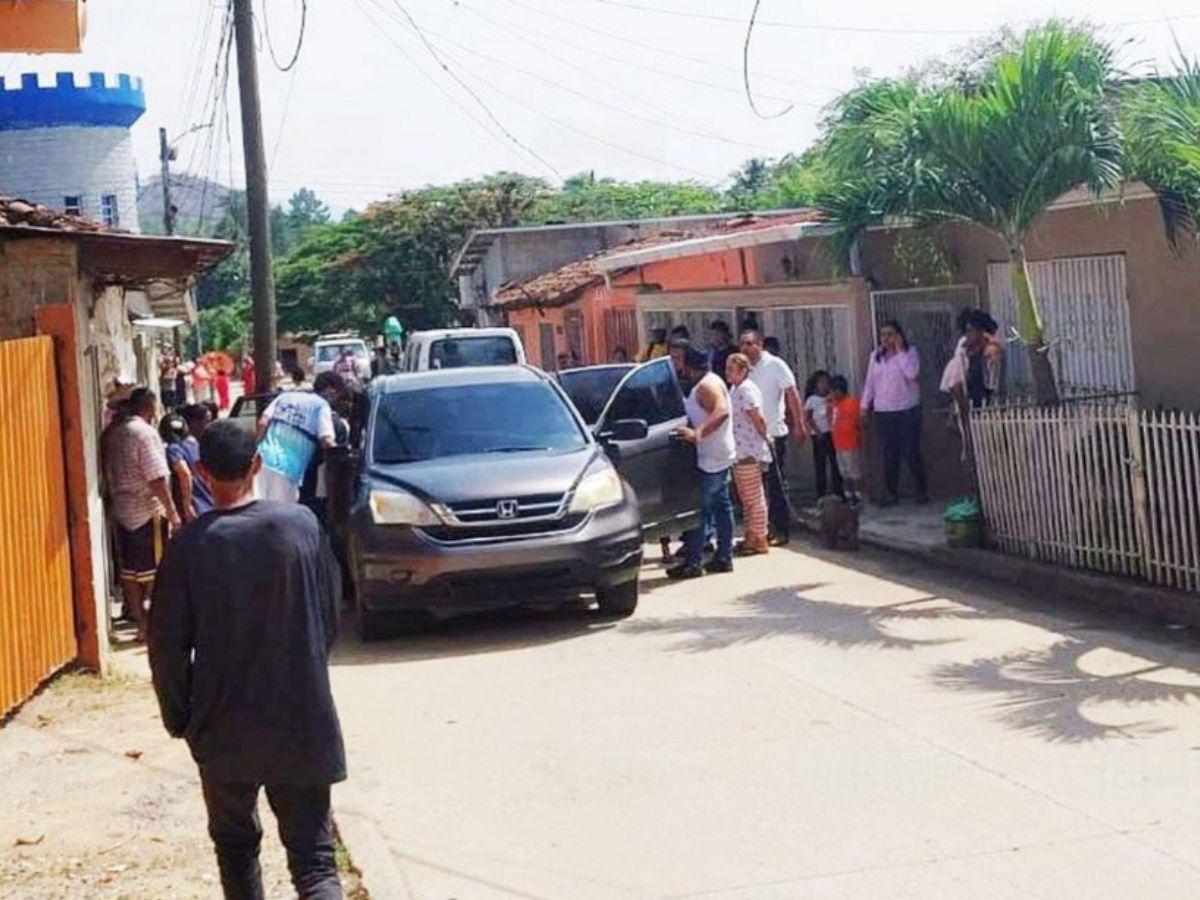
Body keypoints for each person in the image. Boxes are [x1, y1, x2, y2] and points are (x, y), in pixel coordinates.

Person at [148, 420, 346, 899]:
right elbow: (329, 615)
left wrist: (180, 717)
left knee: (236, 849)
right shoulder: (302, 527)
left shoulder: (190, 548)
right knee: (315, 861)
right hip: (302, 718)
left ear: (200, 470)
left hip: (222, 726)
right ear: (257, 464)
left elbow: (166, 648)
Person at [104, 388, 181, 641]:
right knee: (155, 573)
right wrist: (172, 512)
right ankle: (153, 625)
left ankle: (141, 626)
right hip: (148, 511)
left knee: (129, 573)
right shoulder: (145, 434)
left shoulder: (112, 434)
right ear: (149, 406)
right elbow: (156, 477)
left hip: (121, 511)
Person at [667, 348, 736, 579]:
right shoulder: (709, 381)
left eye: (680, 363)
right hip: (718, 454)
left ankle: (693, 562)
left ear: (691, 367)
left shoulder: (706, 385)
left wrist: (698, 434)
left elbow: (722, 411)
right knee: (721, 506)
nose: (679, 369)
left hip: (710, 457)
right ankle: (724, 556)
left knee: (699, 510)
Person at [739, 330, 805, 546]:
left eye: (750, 344)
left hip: (772, 435)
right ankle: (759, 531)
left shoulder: (775, 365)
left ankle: (781, 529)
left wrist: (799, 424)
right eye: (742, 344)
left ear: (760, 344)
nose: (746, 348)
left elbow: (791, 393)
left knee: (776, 484)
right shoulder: (743, 369)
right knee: (755, 487)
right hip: (749, 437)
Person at [862, 319, 928, 505]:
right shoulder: (876, 356)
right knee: (890, 454)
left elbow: (912, 374)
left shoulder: (910, 353)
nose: (886, 338)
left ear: (898, 335)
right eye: (883, 335)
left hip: (908, 410)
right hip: (884, 411)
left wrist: (899, 351)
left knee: (911, 452)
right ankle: (891, 493)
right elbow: (870, 384)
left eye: (890, 334)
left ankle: (921, 490)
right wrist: (864, 406)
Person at [255, 372, 345, 503]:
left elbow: (263, 422)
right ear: (330, 390)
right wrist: (343, 458)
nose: (337, 399)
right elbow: (326, 440)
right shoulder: (321, 406)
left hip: (261, 461)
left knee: (256, 508)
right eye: (338, 395)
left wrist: (255, 449)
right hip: (288, 470)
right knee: (280, 516)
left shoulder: (285, 396)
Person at [726, 353, 772, 556]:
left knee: (754, 497)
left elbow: (757, 418)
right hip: (738, 449)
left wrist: (766, 439)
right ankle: (751, 536)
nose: (728, 373)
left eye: (731, 369)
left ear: (744, 370)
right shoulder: (735, 389)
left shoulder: (747, 390)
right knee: (746, 497)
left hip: (749, 450)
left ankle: (760, 537)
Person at [941, 308, 1004, 409]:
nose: (968, 335)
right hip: (969, 400)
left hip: (988, 400)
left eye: (970, 331)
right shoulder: (962, 351)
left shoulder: (990, 348)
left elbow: (993, 377)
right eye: (966, 331)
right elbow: (954, 382)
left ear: (980, 330)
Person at [168, 404, 214, 524]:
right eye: (207, 421)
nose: (210, 425)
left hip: (205, 507)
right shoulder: (177, 448)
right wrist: (188, 507)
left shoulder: (200, 445)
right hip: (198, 509)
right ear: (193, 424)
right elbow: (184, 473)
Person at [804, 370, 844, 500]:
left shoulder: (830, 398)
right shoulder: (812, 400)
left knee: (835, 462)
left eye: (826, 382)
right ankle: (821, 494)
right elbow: (809, 418)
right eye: (821, 382)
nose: (824, 385)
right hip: (819, 435)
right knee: (820, 464)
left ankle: (838, 491)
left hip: (832, 432)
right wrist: (817, 431)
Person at [828, 376, 864, 505]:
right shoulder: (833, 404)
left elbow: (859, 422)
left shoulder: (852, 402)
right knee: (844, 471)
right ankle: (848, 495)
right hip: (838, 443)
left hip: (851, 442)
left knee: (854, 470)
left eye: (833, 391)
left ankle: (858, 495)